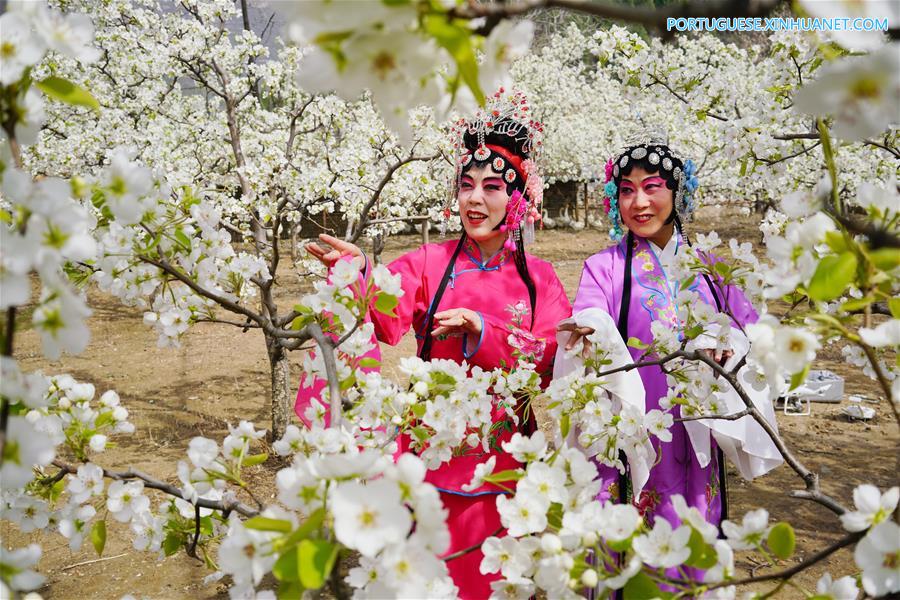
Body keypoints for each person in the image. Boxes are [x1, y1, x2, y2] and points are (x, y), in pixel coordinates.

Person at [300, 89, 572, 599]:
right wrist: (359, 274)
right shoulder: (430, 260)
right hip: (433, 447)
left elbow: (551, 361)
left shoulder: (540, 279)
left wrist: (483, 332)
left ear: (518, 199)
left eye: (492, 187)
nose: (474, 199)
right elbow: (384, 318)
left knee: (498, 576)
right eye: (466, 185)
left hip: (505, 452)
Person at [557, 131, 781, 539]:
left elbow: (753, 334)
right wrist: (591, 326)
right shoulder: (602, 267)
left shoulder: (711, 270)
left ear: (678, 193)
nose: (639, 203)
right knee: (627, 544)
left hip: (691, 432)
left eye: (652, 188)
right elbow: (589, 310)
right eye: (626, 191)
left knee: (690, 536)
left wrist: (731, 346)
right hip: (630, 429)